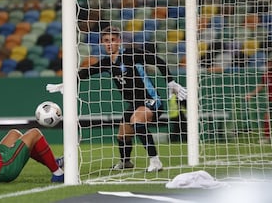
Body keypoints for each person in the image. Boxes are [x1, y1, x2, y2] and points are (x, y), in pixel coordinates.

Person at [49, 26, 187, 172]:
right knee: (122, 135)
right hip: (135, 104)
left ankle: (155, 161)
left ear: (119, 41)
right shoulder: (107, 63)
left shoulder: (131, 54)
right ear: (102, 43)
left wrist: (170, 82)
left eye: (113, 40)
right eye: (106, 41)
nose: (109, 44)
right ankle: (126, 162)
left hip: (151, 100)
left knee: (137, 120)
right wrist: (68, 83)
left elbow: (158, 60)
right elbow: (86, 72)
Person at [245, 60, 272, 143]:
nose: (268, 65)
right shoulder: (265, 75)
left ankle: (267, 138)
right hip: (271, 100)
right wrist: (251, 94)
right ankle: (267, 138)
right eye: (267, 64)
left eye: (270, 64)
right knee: (267, 117)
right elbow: (261, 86)